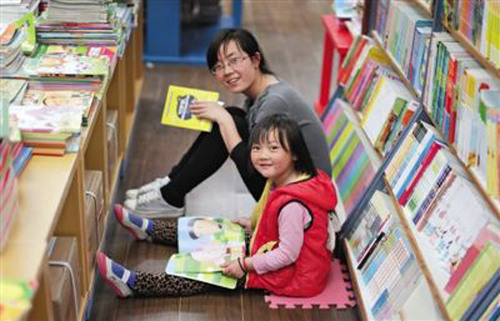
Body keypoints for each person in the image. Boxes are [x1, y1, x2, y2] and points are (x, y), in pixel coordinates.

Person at [97, 114, 338, 298]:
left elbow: (287, 254)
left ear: (295, 153)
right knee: (218, 230)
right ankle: (151, 230)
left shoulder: (294, 205)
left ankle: (134, 284)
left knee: (212, 271)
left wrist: (243, 265)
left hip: (293, 275)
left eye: (273, 148)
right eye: (257, 148)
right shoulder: (291, 178)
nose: (263, 155)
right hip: (277, 252)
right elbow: (276, 219)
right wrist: (254, 223)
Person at [123, 28, 332, 218]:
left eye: (234, 60)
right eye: (218, 67)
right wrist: (224, 118)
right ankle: (170, 186)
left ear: (255, 59)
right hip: (291, 188)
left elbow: (255, 163)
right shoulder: (260, 95)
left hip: (302, 204)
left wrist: (223, 120)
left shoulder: (274, 101)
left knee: (229, 120)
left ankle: (171, 195)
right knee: (232, 115)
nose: (227, 71)